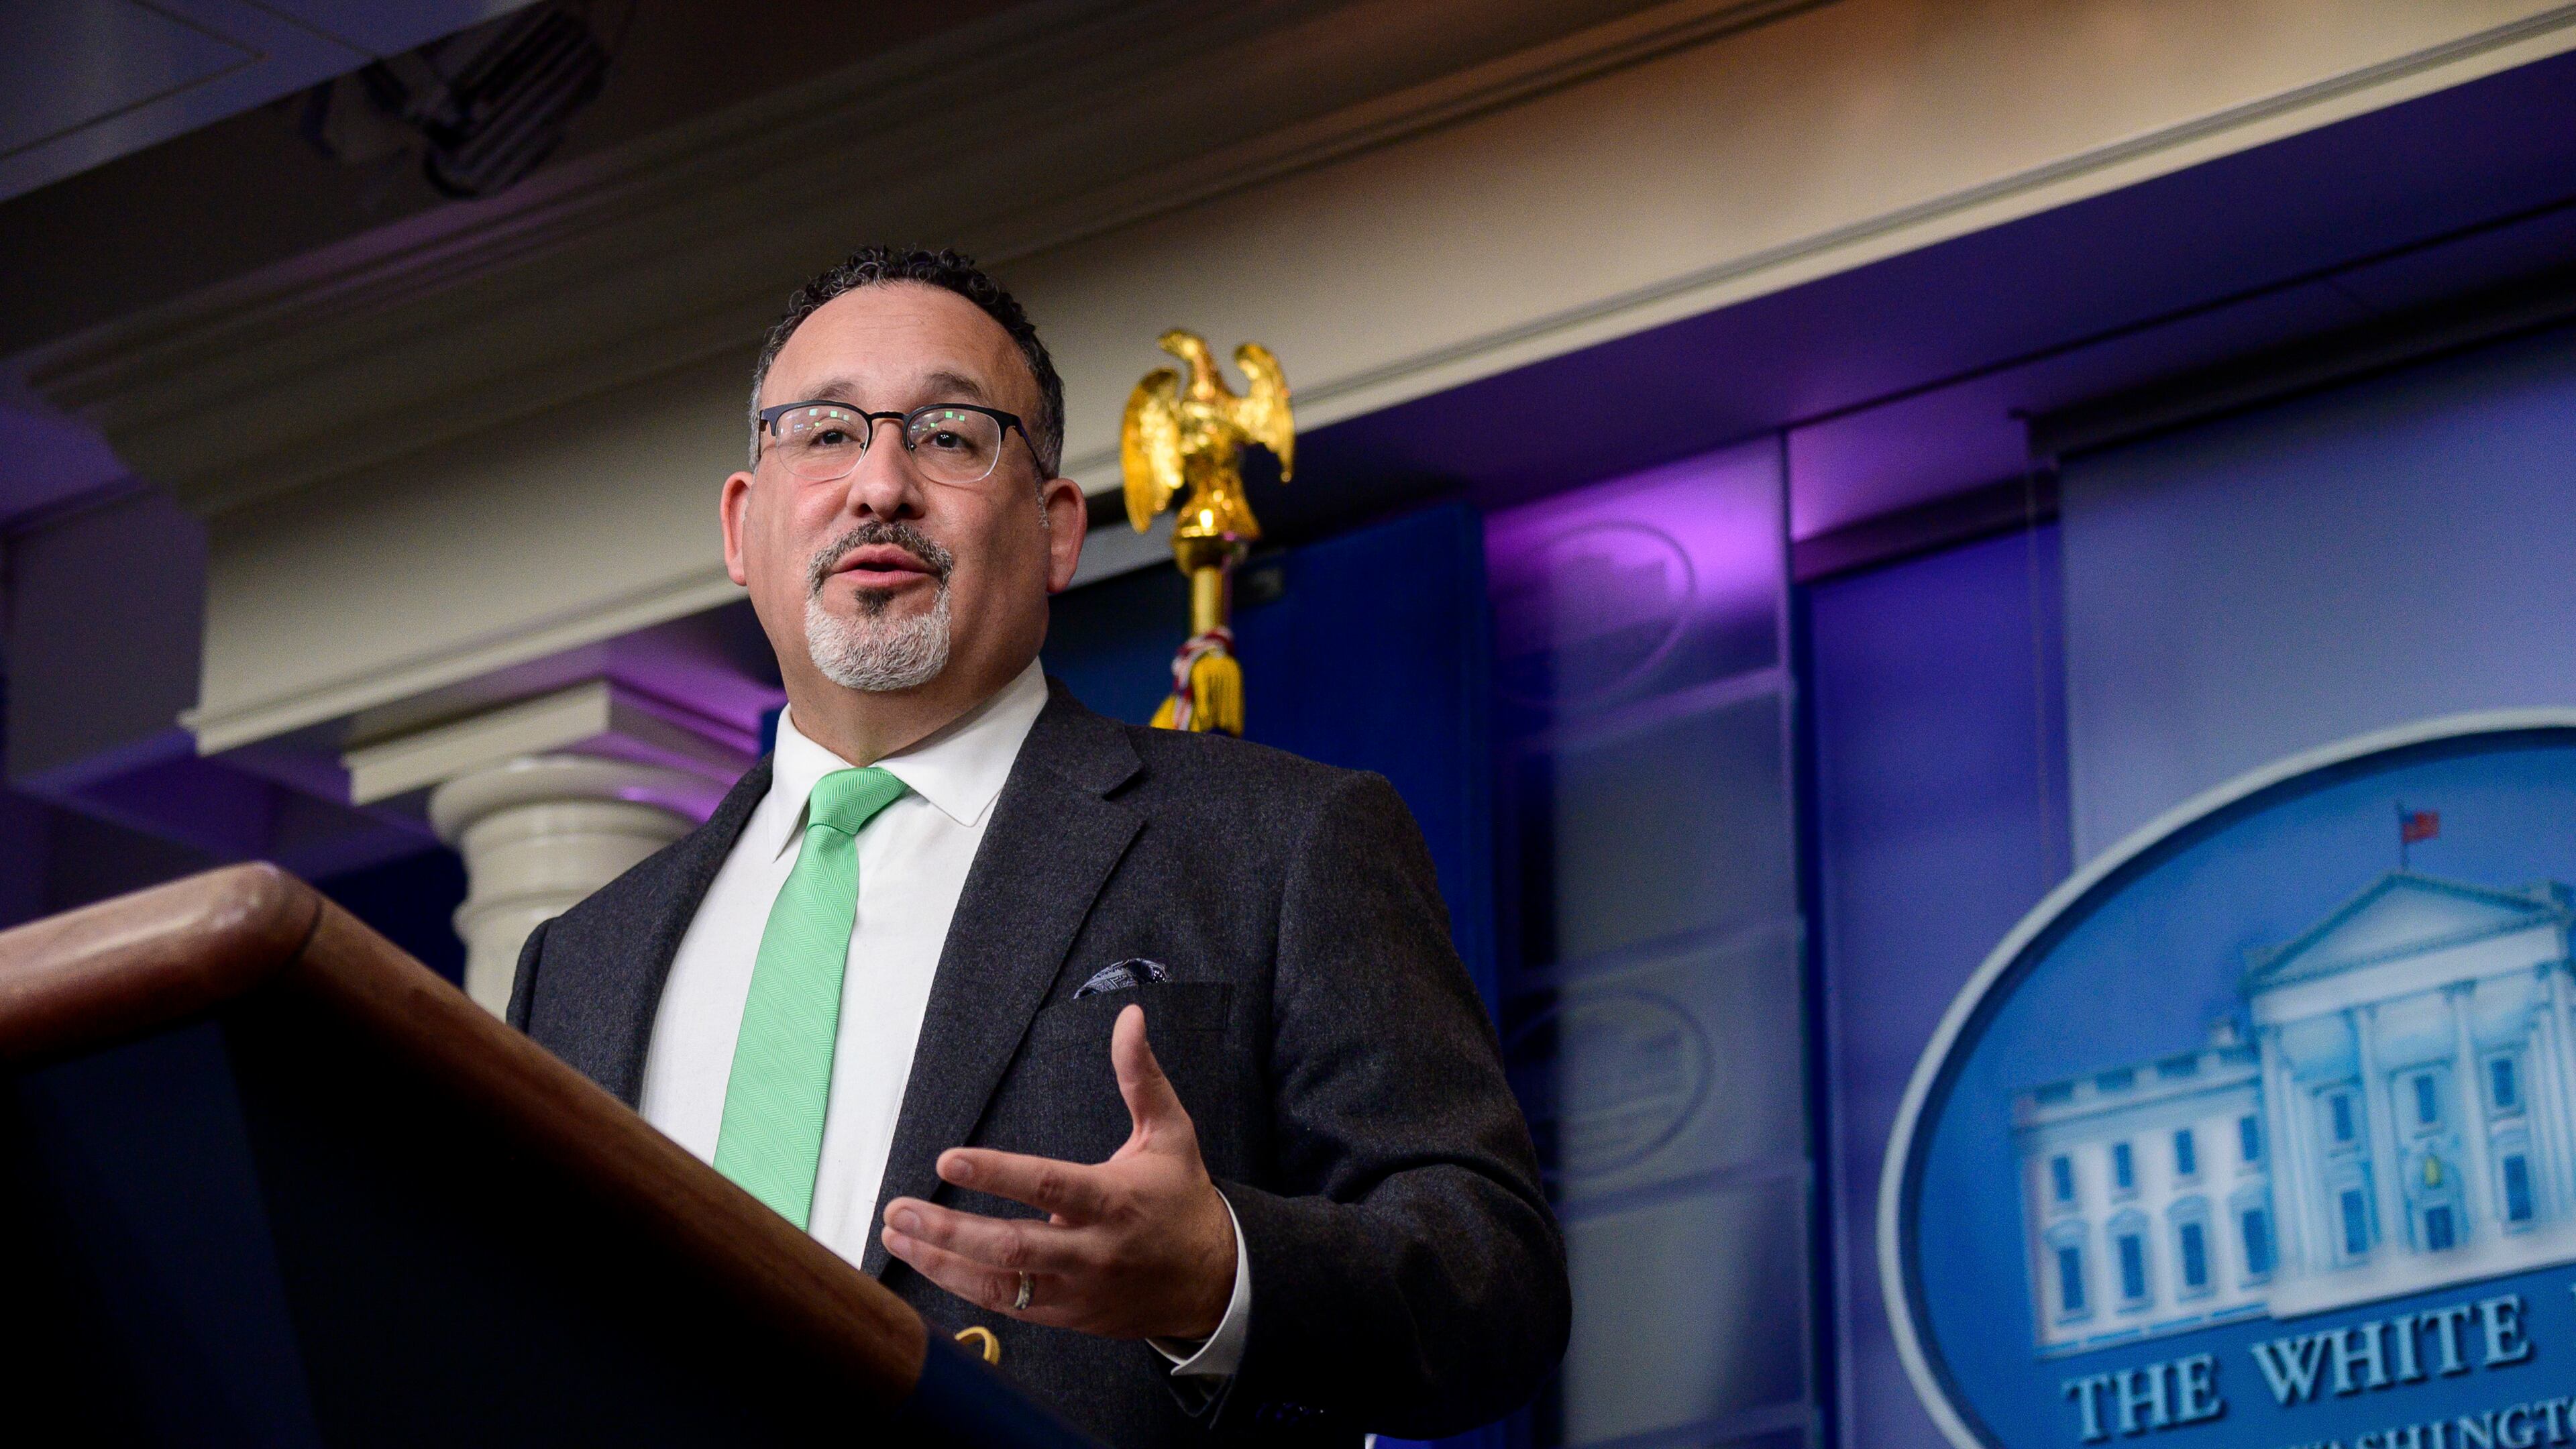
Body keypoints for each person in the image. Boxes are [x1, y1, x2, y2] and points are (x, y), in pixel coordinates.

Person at [507, 247, 1567, 1447]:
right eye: (823, 434)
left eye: (952, 436)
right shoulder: (577, 963)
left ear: (1058, 529)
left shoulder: (1279, 840)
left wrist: (1219, 1272)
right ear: (745, 524)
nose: (881, 485)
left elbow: (1497, 1287)